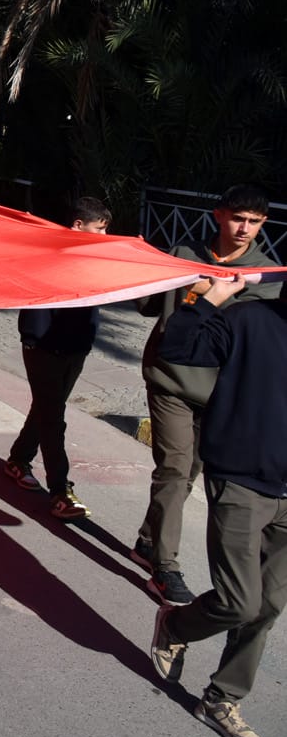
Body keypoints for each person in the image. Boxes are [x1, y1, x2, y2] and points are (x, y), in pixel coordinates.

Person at [151, 270, 287, 737]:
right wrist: (209, 299)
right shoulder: (248, 319)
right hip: (241, 481)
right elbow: (178, 351)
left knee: (268, 606)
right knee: (239, 602)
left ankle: (220, 698)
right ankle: (176, 623)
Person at [133, 183, 280, 606]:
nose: (244, 228)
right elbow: (146, 305)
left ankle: (147, 540)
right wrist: (145, 268)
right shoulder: (184, 253)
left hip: (221, 391)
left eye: (254, 222)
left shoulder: (266, 278)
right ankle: (164, 567)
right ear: (219, 215)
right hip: (170, 379)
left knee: (191, 472)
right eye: (237, 218)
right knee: (175, 469)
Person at [4, 197, 113, 520]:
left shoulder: (95, 258)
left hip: (76, 349)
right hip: (44, 349)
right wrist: (33, 338)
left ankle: (18, 459)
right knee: (53, 418)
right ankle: (60, 491)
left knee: (46, 409)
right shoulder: (49, 254)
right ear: (78, 225)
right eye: (100, 229)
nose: (105, 236)